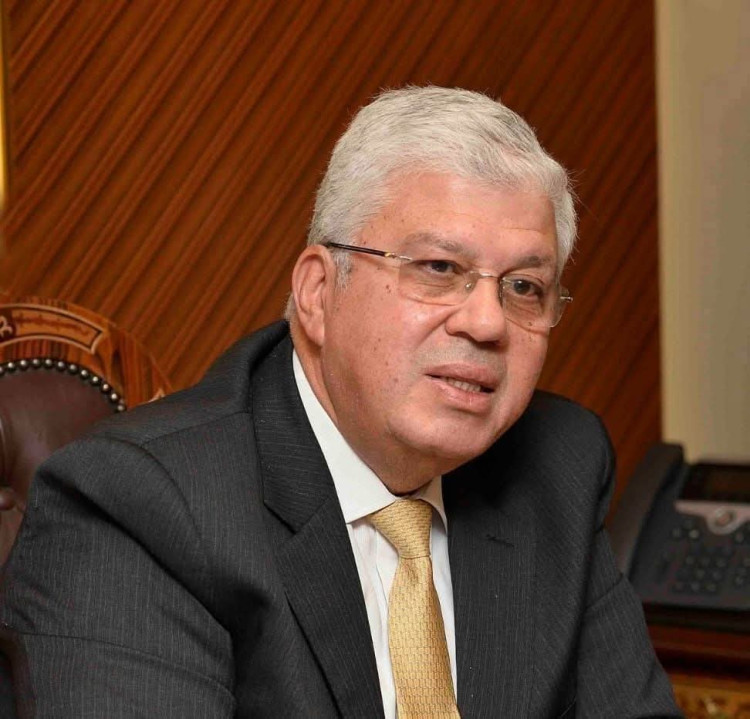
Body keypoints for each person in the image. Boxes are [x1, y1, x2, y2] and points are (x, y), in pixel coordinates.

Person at [0, 87, 681, 718]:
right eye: (439, 268)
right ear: (319, 293)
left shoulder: (557, 466)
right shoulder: (138, 504)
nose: (487, 322)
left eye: (524, 287)